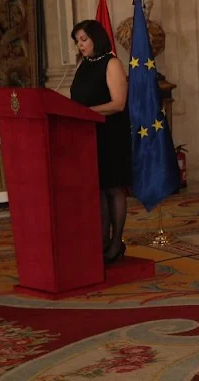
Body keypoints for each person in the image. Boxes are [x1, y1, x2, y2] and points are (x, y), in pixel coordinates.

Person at [70, 20, 131, 264]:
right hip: (88, 134)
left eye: (83, 39)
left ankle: (117, 242)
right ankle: (102, 241)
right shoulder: (82, 65)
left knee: (114, 188)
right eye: (77, 41)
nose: (80, 45)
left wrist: (87, 112)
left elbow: (118, 103)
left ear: (96, 38)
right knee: (98, 188)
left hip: (111, 134)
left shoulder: (112, 63)